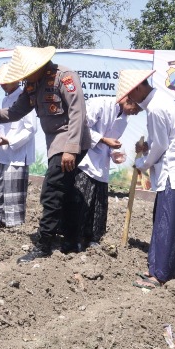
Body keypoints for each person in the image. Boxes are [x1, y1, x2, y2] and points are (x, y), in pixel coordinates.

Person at [0, 46, 90, 262]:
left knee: (51, 190)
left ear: (38, 66)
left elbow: (77, 113)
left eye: (27, 72)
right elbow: (15, 112)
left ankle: (44, 244)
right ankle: (71, 240)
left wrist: (70, 149)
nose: (25, 78)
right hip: (56, 143)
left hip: (70, 142)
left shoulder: (64, 77)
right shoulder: (32, 86)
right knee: (64, 190)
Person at [117, 70, 175, 290]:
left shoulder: (156, 107)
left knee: (168, 222)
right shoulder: (158, 101)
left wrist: (142, 163)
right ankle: (155, 267)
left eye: (129, 94)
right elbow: (159, 140)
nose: (130, 100)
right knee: (161, 219)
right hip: (174, 171)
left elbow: (160, 146)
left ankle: (160, 275)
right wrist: (147, 150)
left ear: (137, 88)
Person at [74, 96, 140, 249]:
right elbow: (82, 128)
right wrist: (103, 140)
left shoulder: (125, 117)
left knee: (98, 203)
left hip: (101, 164)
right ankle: (75, 238)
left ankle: (92, 238)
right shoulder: (100, 104)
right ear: (128, 98)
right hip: (86, 159)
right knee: (82, 201)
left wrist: (113, 153)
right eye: (136, 108)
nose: (136, 112)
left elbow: (112, 140)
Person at [0, 63, 37, 229]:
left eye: (7, 81)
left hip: (18, 152)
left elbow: (31, 128)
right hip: (3, 152)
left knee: (13, 190)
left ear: (17, 81)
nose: (3, 85)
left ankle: (13, 225)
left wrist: (11, 141)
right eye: (2, 82)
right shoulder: (5, 99)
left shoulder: (25, 98)